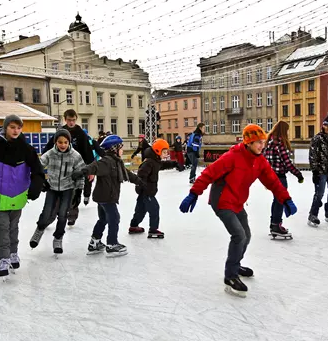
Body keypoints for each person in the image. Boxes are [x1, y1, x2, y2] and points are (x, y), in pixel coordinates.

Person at [178, 124, 297, 297]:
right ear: (248, 142)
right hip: (222, 201)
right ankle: (230, 276)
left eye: (262, 142)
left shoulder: (259, 160)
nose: (261, 146)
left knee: (246, 235)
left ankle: (236, 264)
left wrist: (286, 199)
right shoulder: (232, 156)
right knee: (239, 235)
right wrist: (194, 194)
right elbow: (209, 173)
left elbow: (273, 181)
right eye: (257, 142)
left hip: (238, 202)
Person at [0, 115, 44, 278]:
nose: (16, 130)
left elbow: (37, 171)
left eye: (19, 127)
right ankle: (3, 258)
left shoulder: (27, 149)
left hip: (17, 195)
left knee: (13, 226)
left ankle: (13, 253)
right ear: (5, 128)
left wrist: (36, 188)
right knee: (2, 226)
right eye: (12, 127)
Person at [72, 135, 143, 256]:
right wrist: (82, 172)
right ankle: (112, 244)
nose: (122, 150)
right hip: (107, 196)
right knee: (114, 218)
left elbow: (128, 174)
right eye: (121, 147)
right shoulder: (107, 161)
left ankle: (95, 243)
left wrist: (140, 182)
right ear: (114, 148)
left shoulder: (117, 162)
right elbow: (94, 166)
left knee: (103, 219)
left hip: (104, 196)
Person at [30, 129, 85, 254]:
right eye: (60, 142)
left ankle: (58, 238)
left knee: (62, 215)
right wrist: (42, 181)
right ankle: (39, 229)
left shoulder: (75, 156)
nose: (63, 145)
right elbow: (38, 166)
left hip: (68, 189)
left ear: (69, 142)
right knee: (46, 212)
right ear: (55, 142)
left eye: (66, 142)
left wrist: (79, 191)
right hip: (52, 188)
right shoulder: (50, 154)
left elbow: (81, 173)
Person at [43, 109, 94, 226]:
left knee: (75, 193)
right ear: (65, 119)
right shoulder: (60, 132)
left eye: (73, 120)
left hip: (76, 168)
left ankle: (72, 215)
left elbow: (88, 152)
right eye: (69, 120)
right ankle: (49, 217)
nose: (71, 122)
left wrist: (91, 170)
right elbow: (48, 149)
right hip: (60, 169)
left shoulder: (81, 134)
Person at [129, 139, 184, 238]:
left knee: (140, 210)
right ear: (158, 151)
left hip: (146, 191)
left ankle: (133, 226)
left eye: (167, 152)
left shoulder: (155, 160)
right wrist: (142, 186)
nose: (166, 154)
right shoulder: (149, 162)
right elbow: (141, 175)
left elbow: (162, 165)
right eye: (164, 152)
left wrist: (174, 163)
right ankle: (153, 229)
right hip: (147, 191)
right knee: (154, 208)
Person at [263, 120, 304, 239]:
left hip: (271, 177)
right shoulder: (280, 143)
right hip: (279, 177)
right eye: (286, 130)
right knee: (280, 201)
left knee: (276, 201)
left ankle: (273, 224)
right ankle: (276, 225)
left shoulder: (269, 142)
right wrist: (298, 175)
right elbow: (287, 163)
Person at [82, 129, 106, 205]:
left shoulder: (92, 142)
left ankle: (86, 196)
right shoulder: (77, 142)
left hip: (90, 165)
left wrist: (107, 155)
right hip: (81, 165)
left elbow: (100, 151)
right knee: (83, 182)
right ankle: (82, 197)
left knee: (88, 181)